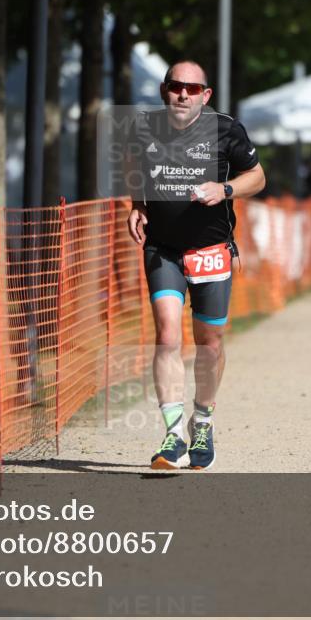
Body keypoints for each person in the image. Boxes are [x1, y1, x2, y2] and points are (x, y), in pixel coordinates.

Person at [125, 60, 265, 470]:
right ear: (164, 90)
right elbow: (135, 166)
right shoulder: (143, 128)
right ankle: (172, 435)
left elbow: (257, 177)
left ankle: (202, 419)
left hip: (211, 250)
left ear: (205, 95)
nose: (182, 94)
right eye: (175, 86)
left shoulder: (226, 130)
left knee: (210, 343)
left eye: (192, 88)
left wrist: (224, 189)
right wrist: (137, 204)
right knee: (167, 334)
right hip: (162, 248)